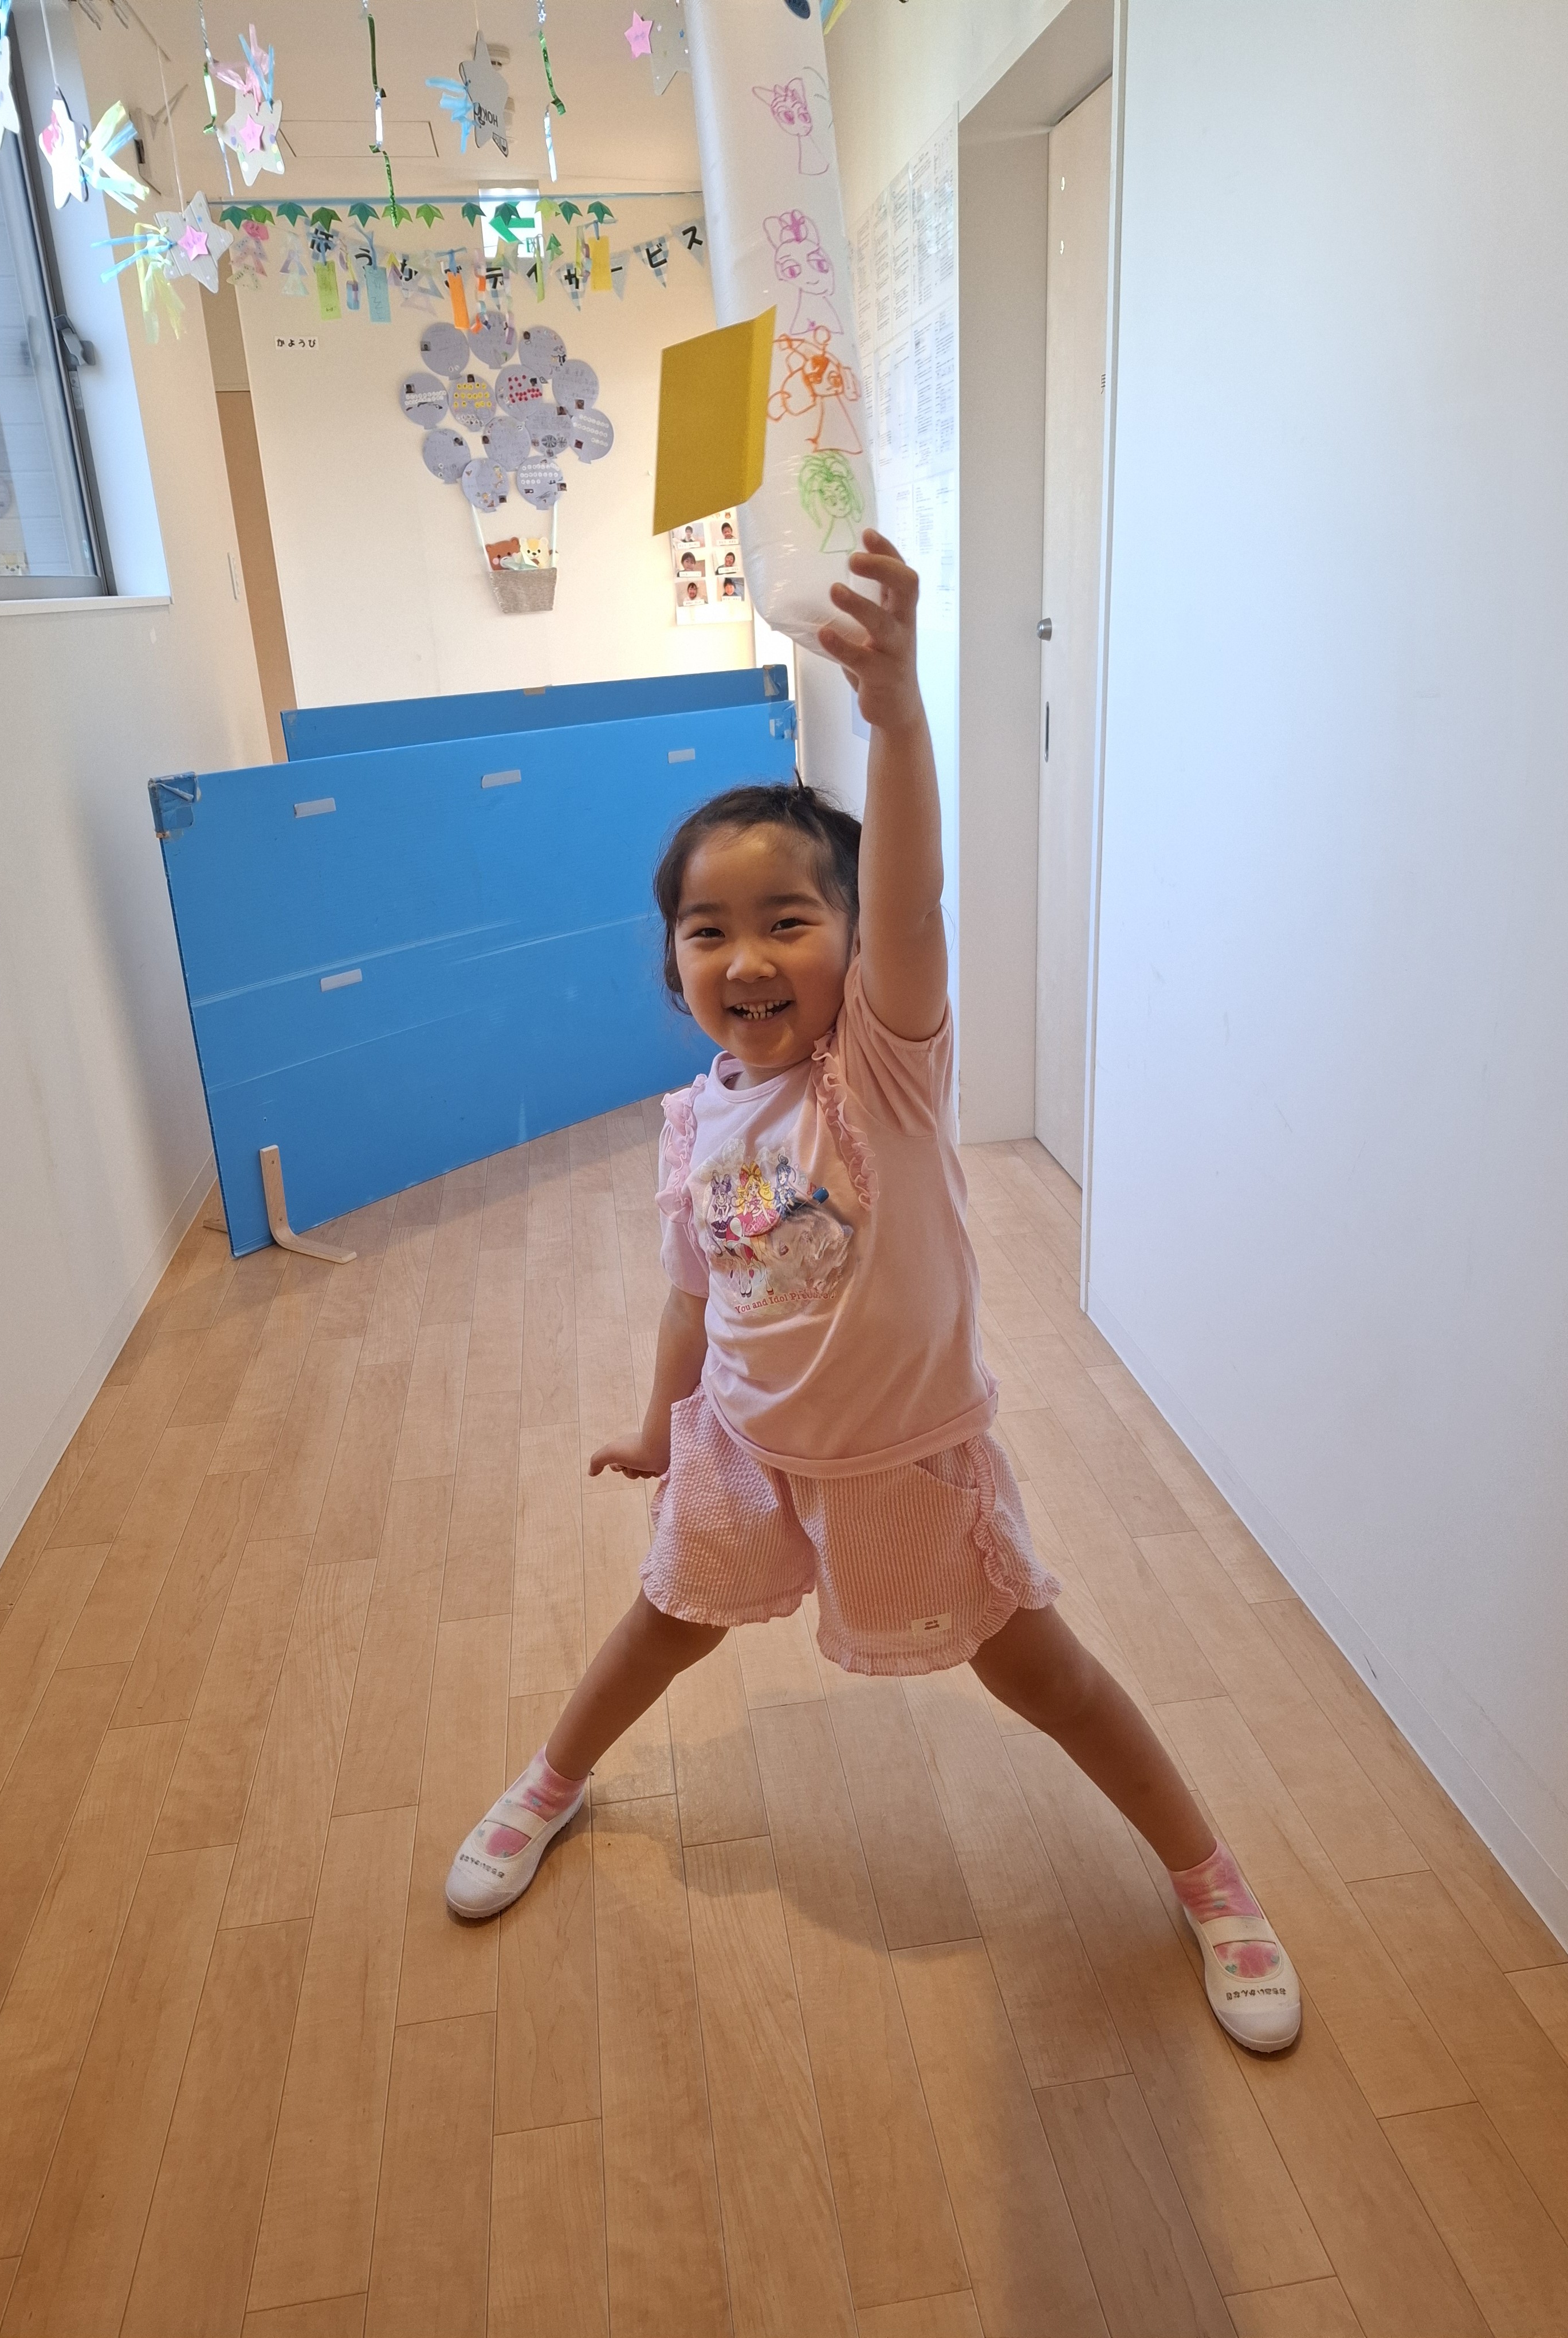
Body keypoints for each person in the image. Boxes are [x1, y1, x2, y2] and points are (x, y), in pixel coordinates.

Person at [446, 532, 1300, 2054]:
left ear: (851, 948)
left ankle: (1209, 1879)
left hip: (905, 1458)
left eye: (789, 919)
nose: (747, 955)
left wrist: (897, 715)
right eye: (708, 930)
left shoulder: (882, 1080)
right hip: (741, 1449)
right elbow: (695, 1295)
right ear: (672, 963)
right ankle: (550, 1784)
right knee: (663, 1624)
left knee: (1040, 1671)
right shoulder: (696, 1123)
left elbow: (912, 904)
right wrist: (657, 1425)